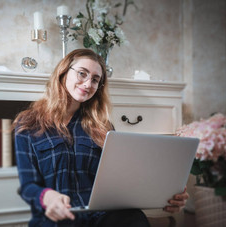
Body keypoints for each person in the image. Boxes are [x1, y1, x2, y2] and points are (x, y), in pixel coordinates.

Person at [14, 49, 189, 227]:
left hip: (100, 218)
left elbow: (122, 181)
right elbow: (28, 187)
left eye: (95, 79)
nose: (88, 84)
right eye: (82, 74)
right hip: (56, 219)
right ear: (64, 72)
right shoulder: (28, 124)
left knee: (134, 219)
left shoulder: (103, 127)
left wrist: (165, 195)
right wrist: (47, 197)